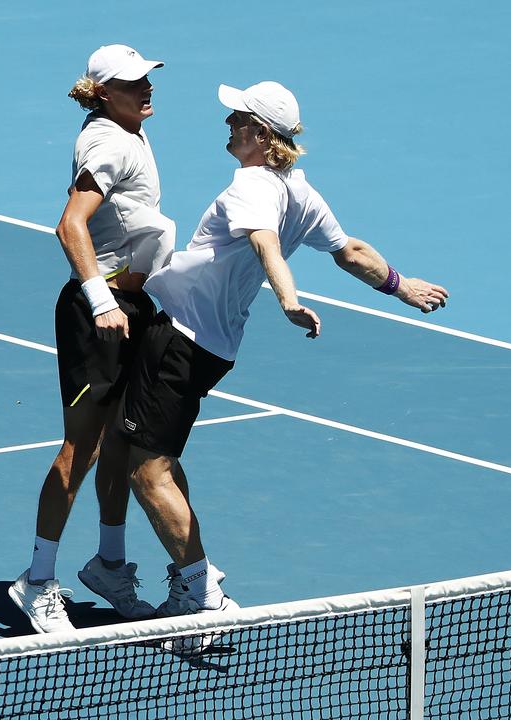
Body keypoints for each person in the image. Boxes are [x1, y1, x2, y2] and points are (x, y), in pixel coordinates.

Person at [117, 81, 450, 628]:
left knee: (146, 472)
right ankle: (188, 579)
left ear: (260, 134)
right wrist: (400, 284)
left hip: (179, 337)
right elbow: (352, 252)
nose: (228, 125)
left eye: (237, 118)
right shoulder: (302, 191)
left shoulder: (252, 184)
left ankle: (201, 595)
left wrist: (289, 300)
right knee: (163, 458)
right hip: (214, 348)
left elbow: (264, 243)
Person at [9, 44, 177, 633]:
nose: (146, 87)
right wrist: (102, 300)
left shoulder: (125, 128)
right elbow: (70, 223)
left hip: (130, 305)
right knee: (80, 449)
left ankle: (109, 565)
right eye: (132, 83)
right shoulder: (108, 142)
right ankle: (36, 579)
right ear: (104, 91)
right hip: (99, 312)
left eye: (147, 78)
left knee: (121, 445)